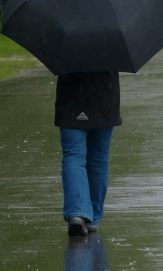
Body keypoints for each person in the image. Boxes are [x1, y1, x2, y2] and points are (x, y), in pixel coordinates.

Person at [55, 71, 122, 236]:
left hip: (71, 93)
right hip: (105, 92)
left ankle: (77, 213)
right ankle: (92, 218)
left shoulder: (68, 45)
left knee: (73, 154)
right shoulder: (111, 44)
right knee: (98, 158)